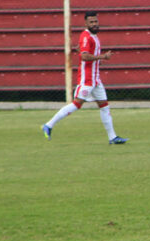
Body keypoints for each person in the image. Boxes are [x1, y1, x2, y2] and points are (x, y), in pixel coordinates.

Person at [41, 11, 128, 144]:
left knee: (104, 106)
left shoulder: (93, 37)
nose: (94, 24)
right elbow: (84, 56)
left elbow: (82, 50)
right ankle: (48, 125)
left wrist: (79, 49)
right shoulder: (87, 36)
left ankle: (113, 138)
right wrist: (103, 57)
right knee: (77, 104)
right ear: (86, 23)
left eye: (96, 21)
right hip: (87, 78)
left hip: (95, 79)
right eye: (91, 22)